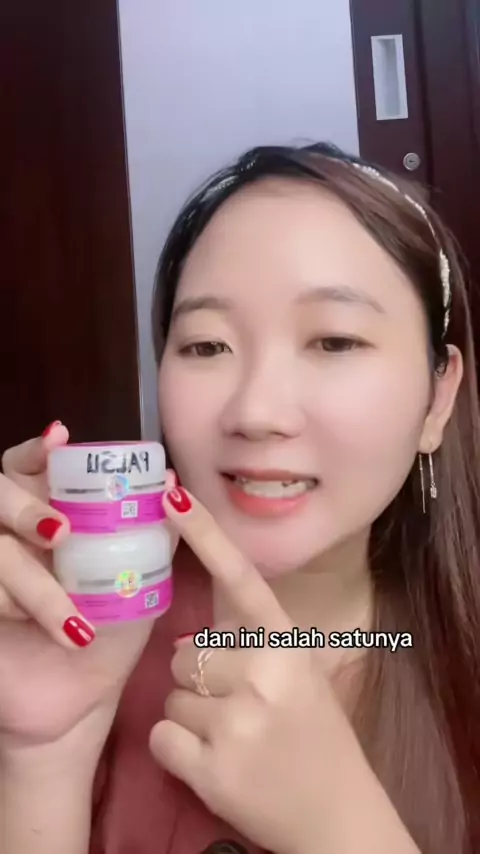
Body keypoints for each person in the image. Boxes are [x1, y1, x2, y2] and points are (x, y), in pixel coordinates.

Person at [0, 142, 479, 854]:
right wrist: (42, 755)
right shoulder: (85, 642)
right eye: (207, 346)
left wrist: (347, 832)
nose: (256, 411)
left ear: (438, 397)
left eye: (334, 341)